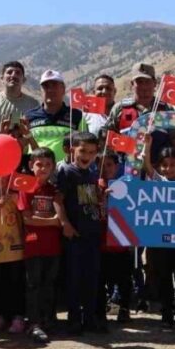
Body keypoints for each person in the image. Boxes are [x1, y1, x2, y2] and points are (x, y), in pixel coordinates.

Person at [55, 131, 106, 335]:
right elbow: (57, 200)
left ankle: (90, 318)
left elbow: (91, 201)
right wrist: (65, 223)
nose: (87, 156)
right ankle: (74, 319)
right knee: (74, 278)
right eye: (83, 151)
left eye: (92, 152)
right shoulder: (66, 172)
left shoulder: (92, 174)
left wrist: (101, 197)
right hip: (74, 235)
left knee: (91, 278)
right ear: (71, 150)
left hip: (92, 234)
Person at [142, 144, 175, 329]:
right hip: (160, 239)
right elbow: (147, 165)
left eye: (173, 164)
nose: (168, 168)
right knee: (163, 276)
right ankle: (166, 312)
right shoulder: (158, 181)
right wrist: (148, 145)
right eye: (164, 165)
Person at [18, 148, 62, 343]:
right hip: (33, 246)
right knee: (33, 285)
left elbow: (61, 217)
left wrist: (54, 220)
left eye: (47, 165)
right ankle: (33, 323)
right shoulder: (26, 188)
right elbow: (27, 219)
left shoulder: (54, 190)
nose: (43, 168)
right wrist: (53, 221)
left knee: (50, 284)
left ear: (53, 167)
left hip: (53, 247)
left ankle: (49, 320)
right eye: (39, 164)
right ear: (31, 165)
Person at [0, 175, 25, 334]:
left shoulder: (17, 195)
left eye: (3, 178)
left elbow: (24, 212)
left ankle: (17, 316)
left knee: (16, 281)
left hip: (15, 246)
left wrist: (16, 199)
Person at [96, 152, 132, 324]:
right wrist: (102, 199)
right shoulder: (93, 186)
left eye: (109, 164)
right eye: (102, 165)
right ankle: (101, 310)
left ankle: (124, 309)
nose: (105, 168)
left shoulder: (125, 186)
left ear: (117, 167)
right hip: (101, 243)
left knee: (124, 279)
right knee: (100, 279)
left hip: (120, 244)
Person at [25, 70, 87, 163]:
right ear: (40, 90)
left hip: (65, 170)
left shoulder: (76, 116)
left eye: (54, 85)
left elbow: (85, 145)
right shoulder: (29, 116)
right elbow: (24, 147)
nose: (50, 90)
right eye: (46, 86)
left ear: (63, 89)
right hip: (36, 169)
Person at [104, 63, 171, 133]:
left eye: (147, 81)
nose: (143, 86)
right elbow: (107, 135)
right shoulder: (120, 109)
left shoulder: (165, 109)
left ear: (154, 83)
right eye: (139, 82)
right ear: (132, 84)